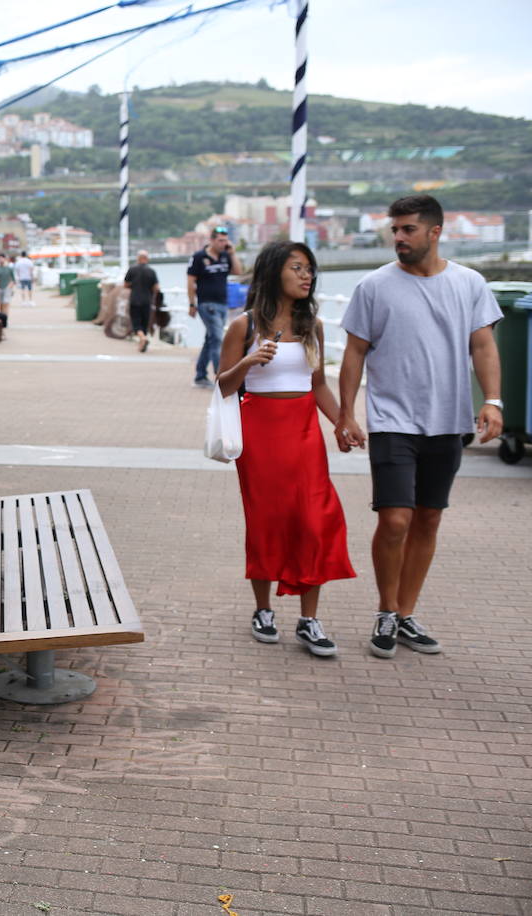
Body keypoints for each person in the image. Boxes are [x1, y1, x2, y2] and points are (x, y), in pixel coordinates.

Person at [335, 195, 503, 659]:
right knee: (394, 519)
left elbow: (483, 347)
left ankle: (406, 614)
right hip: (392, 420)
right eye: (395, 230)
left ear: (435, 232)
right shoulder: (374, 286)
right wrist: (347, 413)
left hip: (447, 421)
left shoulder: (469, 283)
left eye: (407, 229)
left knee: (428, 517)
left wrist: (492, 401)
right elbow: (354, 352)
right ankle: (386, 610)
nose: (398, 239)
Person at [216, 241, 355, 657]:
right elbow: (223, 386)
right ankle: (263, 609)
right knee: (267, 521)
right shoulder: (244, 326)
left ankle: (309, 620)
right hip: (260, 435)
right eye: (297, 268)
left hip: (304, 435)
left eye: (309, 269)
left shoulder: (313, 326)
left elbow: (318, 387)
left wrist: (343, 421)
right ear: (275, 271)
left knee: (314, 521)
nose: (306, 276)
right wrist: (248, 363)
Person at [188, 226, 241, 388]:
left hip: (222, 303)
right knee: (218, 339)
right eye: (220, 240)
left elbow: (238, 271)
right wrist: (192, 303)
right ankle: (221, 378)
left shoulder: (226, 256)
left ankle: (200, 375)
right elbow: (190, 282)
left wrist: (232, 253)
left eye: (225, 240)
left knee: (210, 340)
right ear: (211, 240)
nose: (223, 243)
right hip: (206, 303)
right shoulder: (199, 257)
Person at [123, 249, 160, 353]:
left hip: (134, 299)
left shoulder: (132, 269)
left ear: (138, 259)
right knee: (144, 322)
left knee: (136, 322)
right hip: (147, 300)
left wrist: (133, 286)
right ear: (147, 259)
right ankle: (143, 340)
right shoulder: (151, 271)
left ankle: (142, 339)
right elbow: (156, 288)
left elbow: (125, 285)